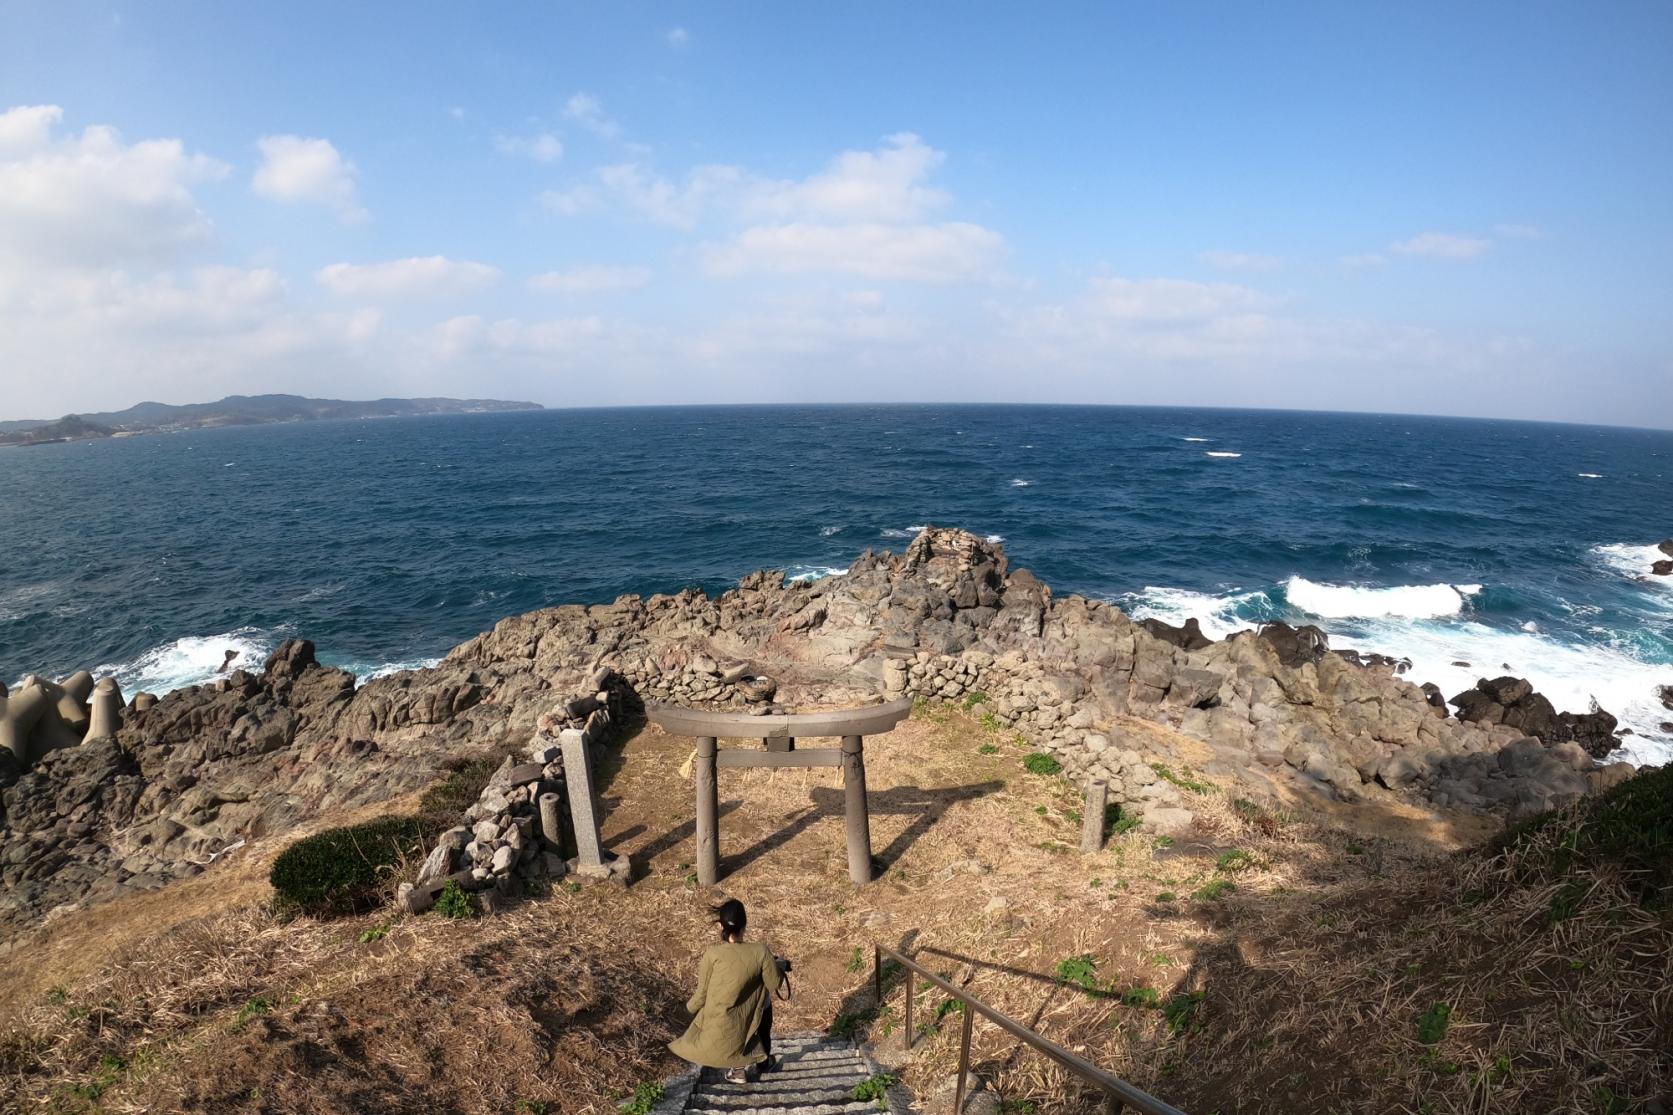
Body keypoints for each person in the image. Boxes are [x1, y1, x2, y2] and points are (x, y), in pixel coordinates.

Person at [669, 898, 783, 1083]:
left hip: (720, 1024)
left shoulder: (712, 954)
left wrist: (683, 1013)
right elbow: (774, 984)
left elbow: (701, 996)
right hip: (750, 1021)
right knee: (762, 1009)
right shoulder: (761, 952)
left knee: (736, 1018)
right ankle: (763, 1064)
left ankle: (738, 1070)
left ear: (721, 926)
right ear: (744, 925)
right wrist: (776, 966)